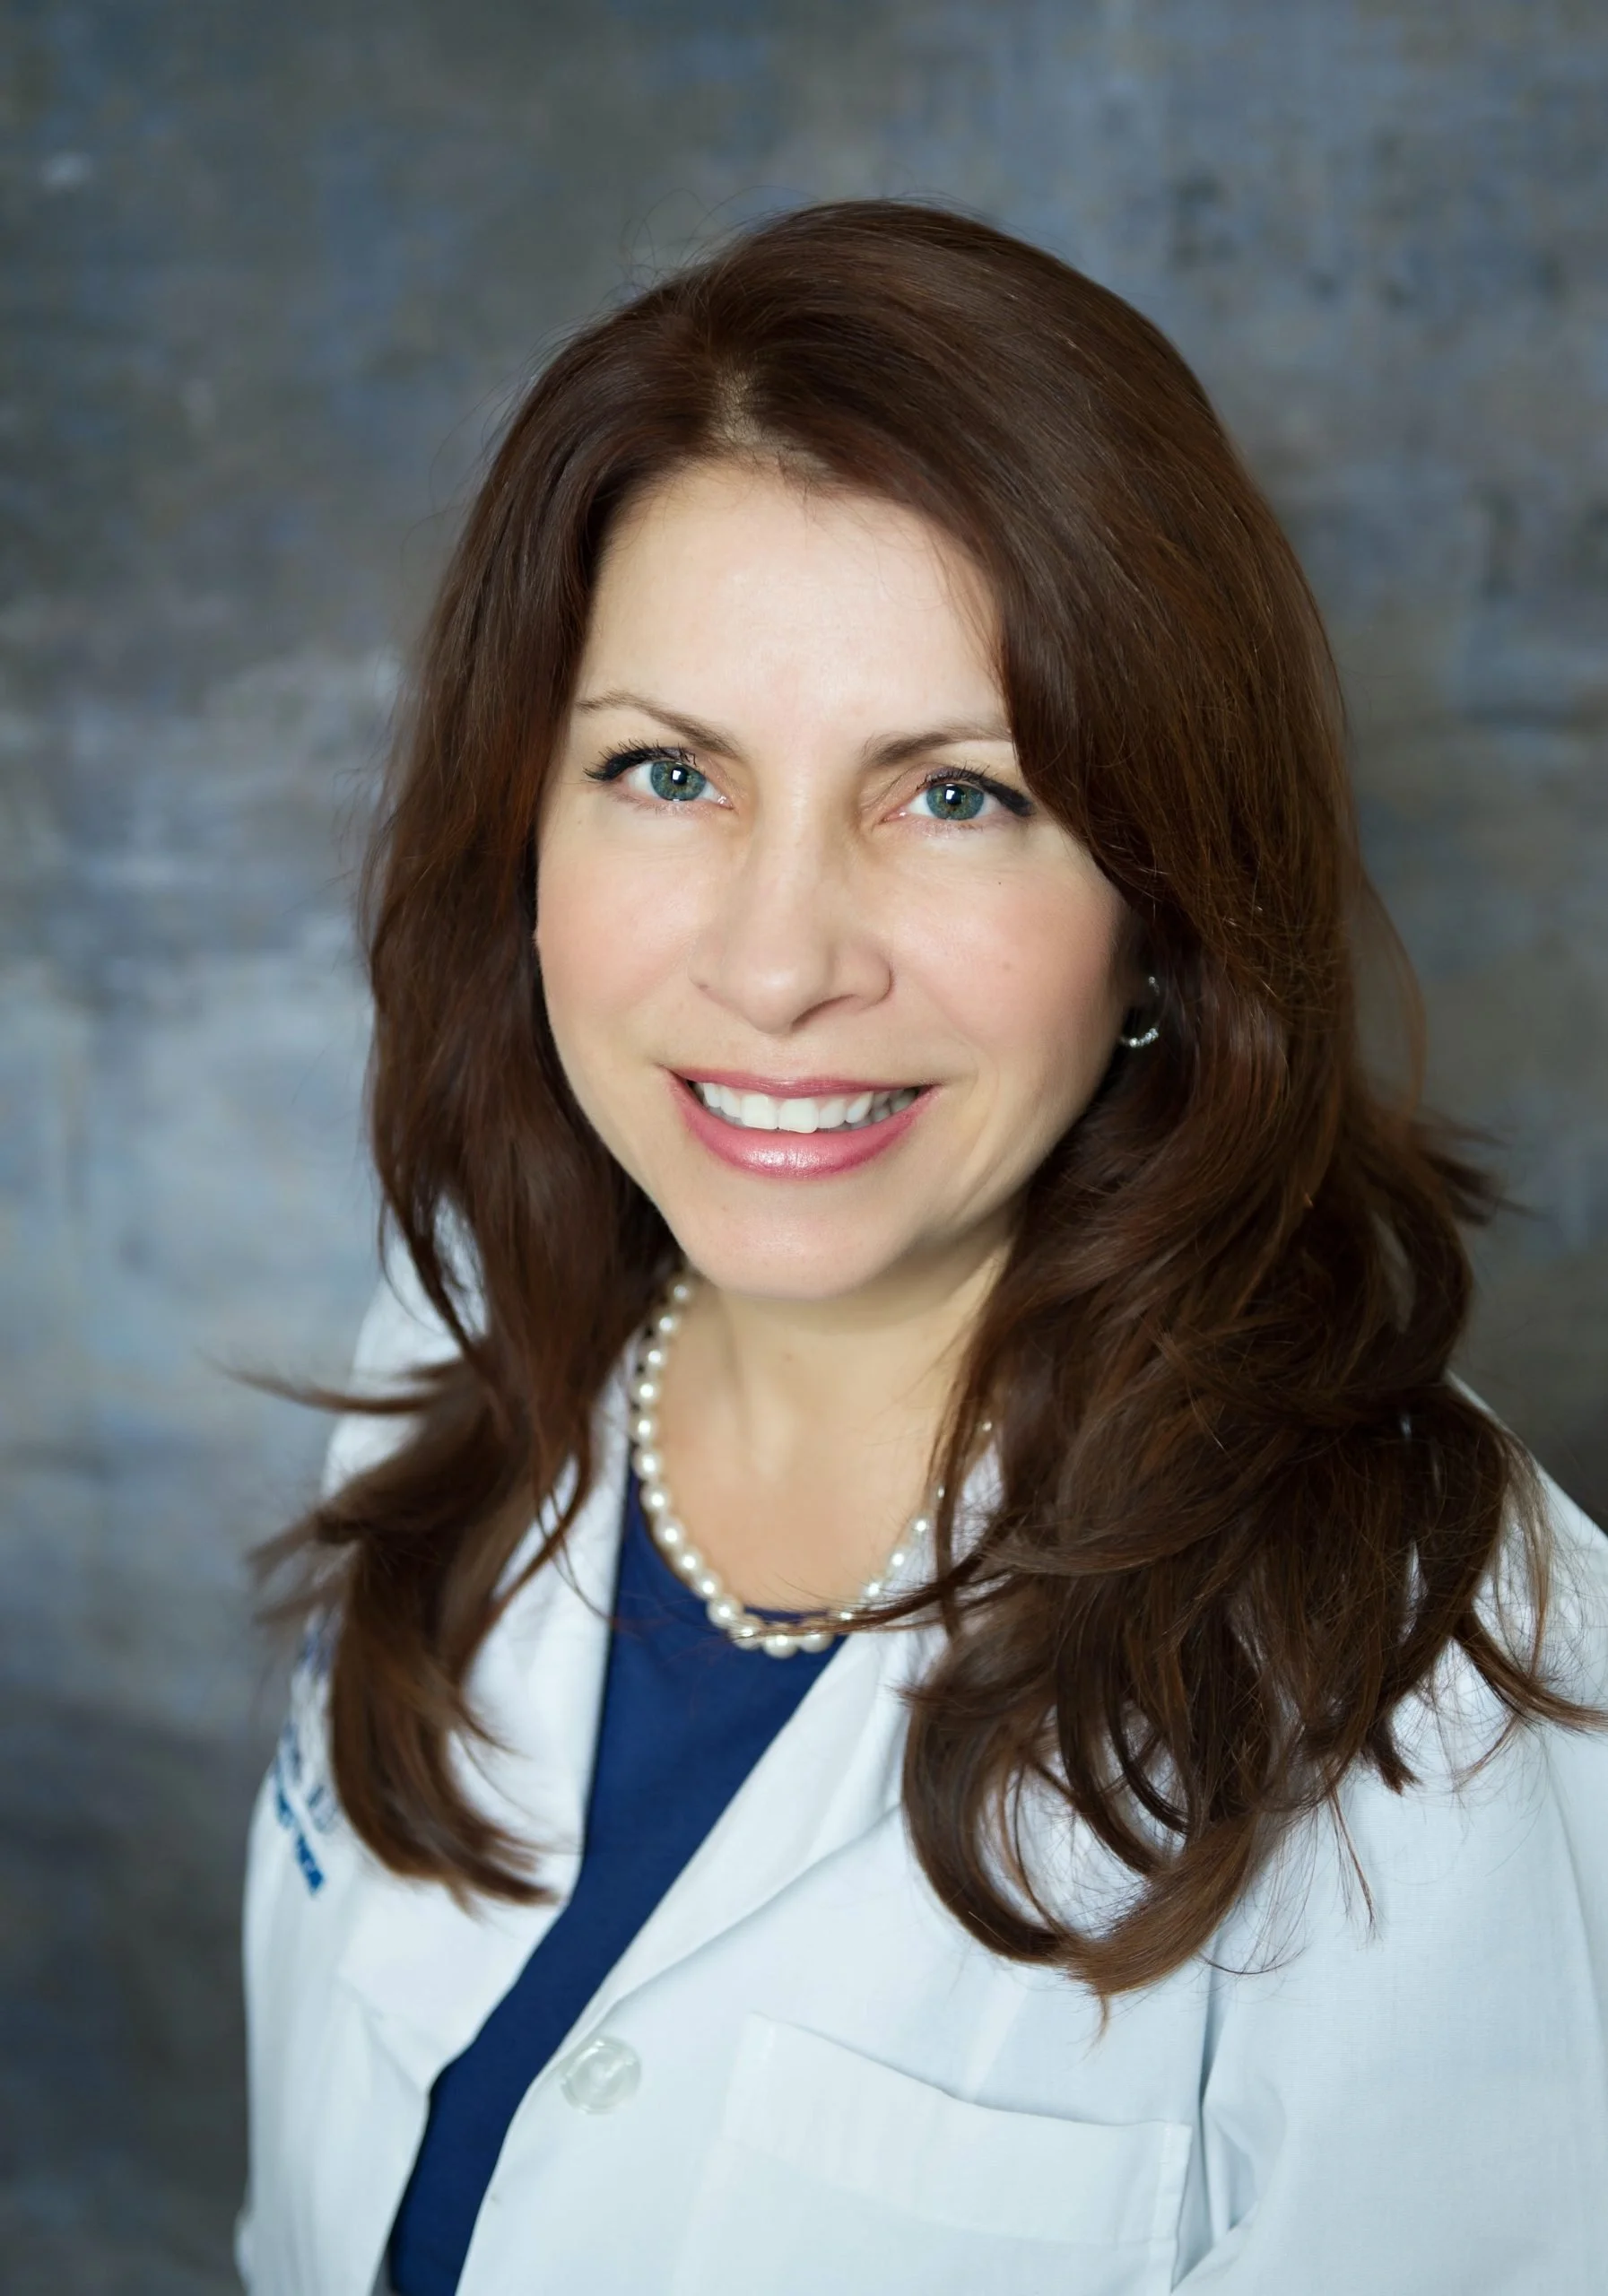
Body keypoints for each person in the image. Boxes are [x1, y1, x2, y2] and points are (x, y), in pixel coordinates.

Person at [238, 201, 1608, 2296]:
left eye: (954, 794)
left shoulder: (1445, 1688)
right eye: (667, 770)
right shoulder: (462, 1320)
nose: (780, 960)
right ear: (523, 824)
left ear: (1161, 904)